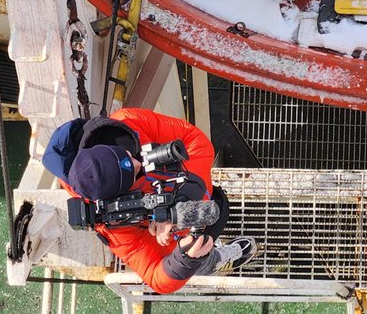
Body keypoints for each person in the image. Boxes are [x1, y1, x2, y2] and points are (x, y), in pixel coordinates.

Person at [43, 107, 256, 294]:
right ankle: (213, 261)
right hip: (171, 239)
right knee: (195, 255)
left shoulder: (128, 122)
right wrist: (184, 260)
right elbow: (156, 277)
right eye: (132, 175)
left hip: (191, 187)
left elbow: (196, 142)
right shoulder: (111, 222)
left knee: (218, 207)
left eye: (128, 156)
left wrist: (184, 199)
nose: (139, 163)